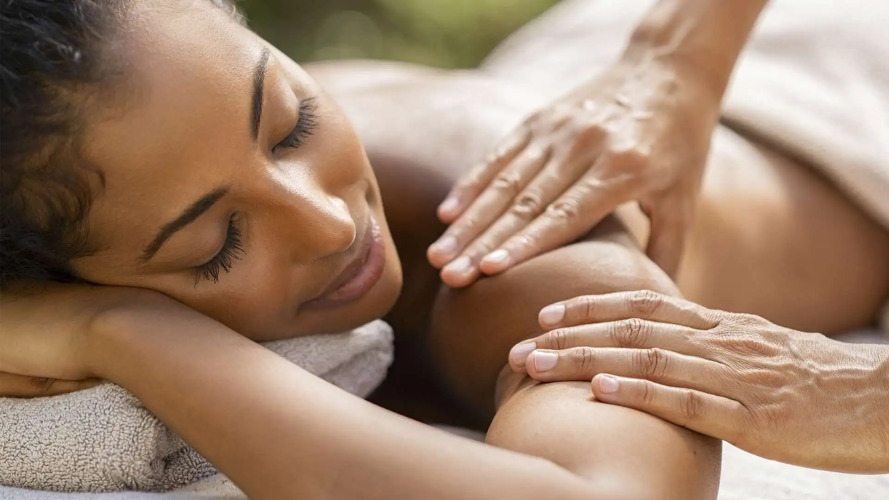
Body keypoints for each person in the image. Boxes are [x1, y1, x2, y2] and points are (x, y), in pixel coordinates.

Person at [0, 1, 885, 499]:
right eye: (216, 242)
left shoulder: (519, 255)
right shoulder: (157, 138)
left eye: (292, 123)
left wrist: (122, 331)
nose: (331, 225)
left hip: (840, 85)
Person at [426, 0, 889, 472]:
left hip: (830, 92)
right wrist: (672, 57)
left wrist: (874, 396)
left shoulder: (565, 271)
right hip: (610, 50)